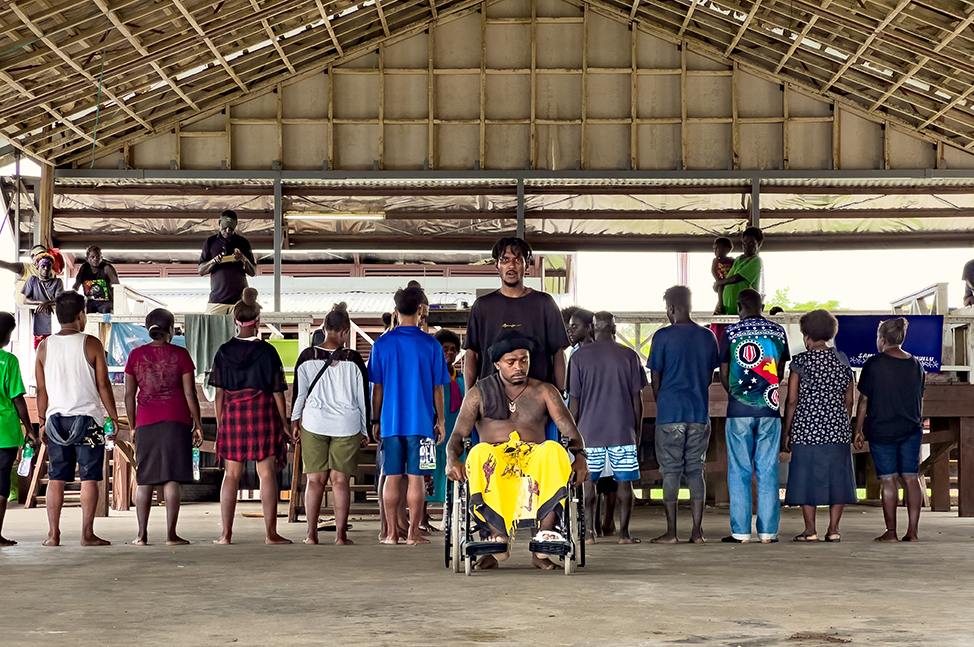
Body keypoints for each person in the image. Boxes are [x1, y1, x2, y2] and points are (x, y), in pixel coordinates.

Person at [446, 330, 589, 571]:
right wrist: (452, 459)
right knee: (478, 451)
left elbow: (569, 430)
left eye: (524, 360)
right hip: (495, 460)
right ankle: (496, 538)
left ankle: (545, 534)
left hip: (533, 459)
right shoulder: (479, 393)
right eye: (511, 362)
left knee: (554, 449)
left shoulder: (544, 391)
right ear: (497, 364)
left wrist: (580, 456)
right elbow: (457, 436)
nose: (519, 367)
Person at [35, 291, 120, 547]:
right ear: (81, 315)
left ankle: (53, 534)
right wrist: (113, 417)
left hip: (56, 420)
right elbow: (103, 385)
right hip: (88, 421)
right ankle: (87, 534)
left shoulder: (44, 346)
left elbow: (41, 390)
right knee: (89, 477)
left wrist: (41, 422)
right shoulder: (91, 343)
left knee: (56, 477)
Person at [209, 288, 293, 545]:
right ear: (257, 321)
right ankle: (271, 534)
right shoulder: (268, 352)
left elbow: (219, 394)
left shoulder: (223, 352)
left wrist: (222, 423)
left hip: (233, 416)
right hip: (263, 414)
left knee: (231, 474)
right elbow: (278, 393)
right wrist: (284, 423)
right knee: (266, 473)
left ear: (235, 321)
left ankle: (226, 535)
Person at [369, 285, 450, 546]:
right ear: (421, 310)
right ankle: (413, 533)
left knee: (392, 476)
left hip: (391, 424)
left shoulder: (381, 344)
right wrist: (441, 420)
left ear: (396, 311)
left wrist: (376, 419)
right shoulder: (432, 345)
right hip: (423, 424)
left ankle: (391, 533)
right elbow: (438, 388)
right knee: (417, 478)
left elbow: (377, 388)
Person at [291, 302, 370, 546]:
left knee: (314, 480)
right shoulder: (354, 359)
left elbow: (299, 395)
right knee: (340, 481)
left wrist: (295, 422)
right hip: (346, 426)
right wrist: (365, 429)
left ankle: (311, 535)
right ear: (346, 331)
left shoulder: (306, 357)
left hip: (314, 424)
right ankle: (340, 536)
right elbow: (362, 398)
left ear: (324, 328)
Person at [123, 308, 204, 546]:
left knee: (145, 478)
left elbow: (129, 394)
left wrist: (133, 424)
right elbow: (190, 393)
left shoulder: (135, 355)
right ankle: (171, 535)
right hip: (177, 420)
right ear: (170, 330)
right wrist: (198, 424)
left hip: (146, 420)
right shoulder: (181, 354)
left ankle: (141, 535)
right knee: (172, 478)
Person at [648, 286, 720, 545]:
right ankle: (697, 532)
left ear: (671, 307)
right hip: (699, 412)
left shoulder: (662, 337)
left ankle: (671, 533)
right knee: (695, 469)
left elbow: (655, 378)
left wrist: (663, 401)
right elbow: (710, 374)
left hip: (670, 413)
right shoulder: (708, 337)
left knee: (670, 472)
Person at [569, 311, 646, 545]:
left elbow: (574, 402)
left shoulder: (579, 358)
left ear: (592, 328)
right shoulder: (629, 356)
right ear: (614, 328)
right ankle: (624, 534)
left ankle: (590, 534)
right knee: (624, 483)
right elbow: (637, 400)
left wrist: (571, 435)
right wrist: (637, 430)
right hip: (622, 430)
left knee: (588, 483)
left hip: (588, 432)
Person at [718, 288, 789, 543]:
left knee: (739, 469)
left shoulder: (731, 332)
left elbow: (724, 372)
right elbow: (780, 370)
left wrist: (736, 394)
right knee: (768, 468)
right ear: (762, 305)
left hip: (738, 410)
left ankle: (741, 533)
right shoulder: (778, 332)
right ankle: (768, 532)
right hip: (770, 408)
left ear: (739, 307)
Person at [782, 310, 857, 542]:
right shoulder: (843, 360)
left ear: (807, 336)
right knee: (838, 476)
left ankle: (810, 530)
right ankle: (833, 529)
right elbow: (850, 399)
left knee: (806, 476)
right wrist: (843, 422)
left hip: (806, 428)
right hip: (838, 428)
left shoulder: (800, 362)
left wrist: (787, 431)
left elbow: (792, 400)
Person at [463, 237, 570, 393]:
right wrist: (469, 395)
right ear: (497, 266)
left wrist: (560, 392)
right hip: (493, 399)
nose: (511, 265)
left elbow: (559, 353)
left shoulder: (544, 303)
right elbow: (472, 354)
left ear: (526, 266)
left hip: (537, 400)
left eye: (517, 260)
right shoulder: (482, 306)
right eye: (505, 260)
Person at [853, 318, 925, 542]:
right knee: (912, 479)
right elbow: (919, 398)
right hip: (911, 428)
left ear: (882, 339)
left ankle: (891, 532)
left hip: (882, 430)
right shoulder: (916, 365)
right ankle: (912, 532)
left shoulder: (874, 364)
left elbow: (863, 401)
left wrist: (858, 429)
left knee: (888, 480)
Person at [0, 313, 36, 546]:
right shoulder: (9, 361)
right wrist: (29, 428)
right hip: (5, 432)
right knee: (1, 482)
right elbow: (18, 399)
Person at [424, 329, 465, 524]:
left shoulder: (462, 379)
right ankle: (422, 517)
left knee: (454, 476)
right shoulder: (429, 377)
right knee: (428, 474)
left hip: (456, 435)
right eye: (445, 349)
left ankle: (451, 516)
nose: (450, 353)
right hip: (434, 433)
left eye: (453, 350)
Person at [198, 210, 257, 315]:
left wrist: (243, 259)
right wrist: (213, 261)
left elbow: (252, 272)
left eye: (231, 228)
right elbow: (201, 270)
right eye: (225, 228)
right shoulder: (211, 242)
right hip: (217, 299)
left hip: (239, 301)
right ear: (219, 223)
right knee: (210, 327)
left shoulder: (243, 242)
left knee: (239, 330)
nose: (228, 231)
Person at [714, 227, 764, 316]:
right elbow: (727, 278)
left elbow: (738, 277)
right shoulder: (737, 260)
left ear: (758, 244)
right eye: (745, 242)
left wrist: (719, 283)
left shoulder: (755, 260)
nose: (747, 245)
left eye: (751, 243)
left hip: (744, 311)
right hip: (728, 308)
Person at [21, 254, 64, 348]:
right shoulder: (32, 280)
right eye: (43, 266)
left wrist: (47, 303)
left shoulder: (57, 282)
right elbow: (25, 300)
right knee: (39, 352)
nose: (46, 268)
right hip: (39, 324)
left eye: (48, 266)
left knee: (54, 352)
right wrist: (42, 303)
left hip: (55, 324)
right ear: (37, 267)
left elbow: (60, 300)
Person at [73, 245, 120, 314]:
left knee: (106, 312)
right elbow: (77, 284)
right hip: (90, 302)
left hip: (106, 302)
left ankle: (107, 321)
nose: (95, 259)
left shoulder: (107, 268)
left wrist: (118, 305)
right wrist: (71, 297)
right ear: (87, 259)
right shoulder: (84, 268)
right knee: (85, 313)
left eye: (98, 257)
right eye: (92, 257)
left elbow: (118, 287)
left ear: (101, 258)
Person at [710, 237, 735, 315]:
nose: (715, 251)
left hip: (729, 282)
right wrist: (718, 280)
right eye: (714, 249)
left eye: (718, 249)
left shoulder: (732, 260)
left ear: (727, 249)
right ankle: (721, 306)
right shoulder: (715, 261)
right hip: (720, 281)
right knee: (720, 289)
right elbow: (713, 271)